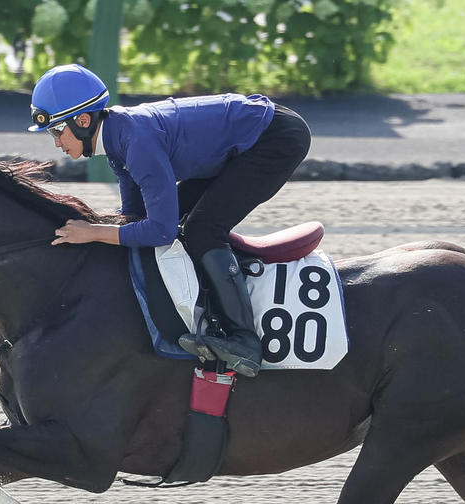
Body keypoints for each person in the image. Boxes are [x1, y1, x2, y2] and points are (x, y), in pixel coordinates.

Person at [28, 63, 312, 377]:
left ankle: (244, 341)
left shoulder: (136, 142)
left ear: (83, 121)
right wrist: (100, 234)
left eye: (57, 131)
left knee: (202, 230)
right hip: (242, 142)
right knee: (180, 220)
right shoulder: (117, 141)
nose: (57, 142)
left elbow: (161, 231)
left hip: (275, 139)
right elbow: (134, 218)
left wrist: (94, 232)